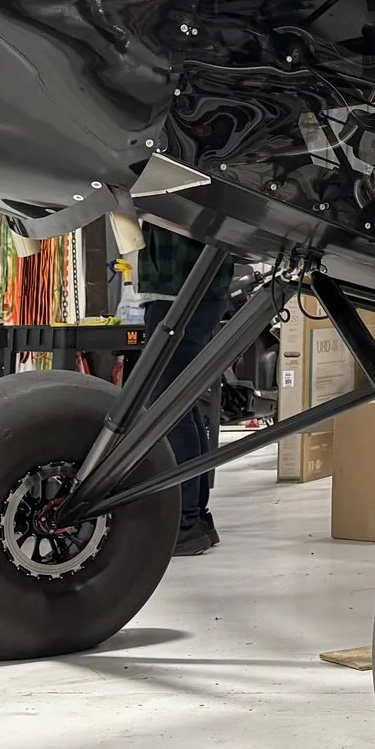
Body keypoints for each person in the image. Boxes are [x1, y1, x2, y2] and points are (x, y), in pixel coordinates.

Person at [139, 223, 229, 557]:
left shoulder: (179, 190)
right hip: (188, 292)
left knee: (169, 410)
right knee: (182, 407)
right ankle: (196, 516)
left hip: (180, 292)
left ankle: (185, 522)